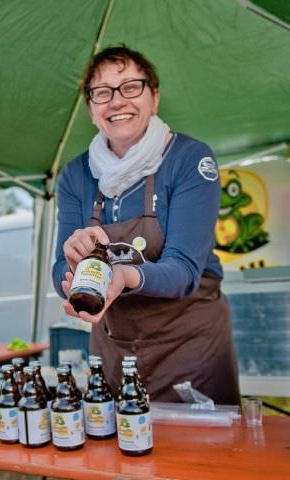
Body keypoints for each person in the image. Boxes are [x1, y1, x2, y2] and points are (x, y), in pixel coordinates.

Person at [52, 45, 240, 405]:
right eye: (102, 92)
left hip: (191, 349)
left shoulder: (189, 159)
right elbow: (60, 269)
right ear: (91, 109)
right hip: (115, 352)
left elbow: (184, 270)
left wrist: (123, 275)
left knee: (199, 459)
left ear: (154, 98)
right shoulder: (76, 175)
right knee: (120, 454)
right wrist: (71, 274)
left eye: (130, 87)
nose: (116, 101)